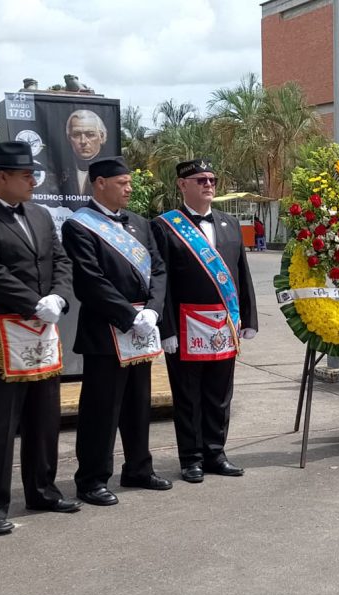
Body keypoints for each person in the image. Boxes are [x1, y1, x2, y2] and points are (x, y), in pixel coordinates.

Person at [0, 141, 80, 535]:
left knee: (44, 418)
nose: (32, 180)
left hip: (39, 332)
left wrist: (58, 295)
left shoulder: (39, 215)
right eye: (25, 175)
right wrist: (32, 302)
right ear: (0, 176)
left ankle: (42, 489)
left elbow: (60, 259)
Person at [61, 156, 171, 505]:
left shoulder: (140, 223)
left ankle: (139, 467)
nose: (129, 188)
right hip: (105, 331)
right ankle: (92, 478)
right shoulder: (78, 227)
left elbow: (158, 271)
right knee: (101, 408)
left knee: (139, 404)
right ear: (100, 184)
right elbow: (90, 281)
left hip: (142, 328)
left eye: (129, 182)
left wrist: (153, 311)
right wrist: (127, 314)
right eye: (122, 183)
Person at [151, 159, 258, 482]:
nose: (208, 184)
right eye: (200, 180)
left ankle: (215, 452)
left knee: (219, 393)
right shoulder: (165, 226)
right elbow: (161, 280)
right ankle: (191, 458)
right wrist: (166, 328)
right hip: (186, 324)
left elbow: (241, 273)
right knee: (187, 395)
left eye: (212, 178)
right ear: (182, 185)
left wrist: (249, 317)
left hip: (224, 324)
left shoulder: (229, 223)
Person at [62, 110, 108, 196]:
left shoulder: (110, 172)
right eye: (76, 135)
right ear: (69, 138)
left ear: (101, 137)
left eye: (90, 134)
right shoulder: (60, 172)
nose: (83, 141)